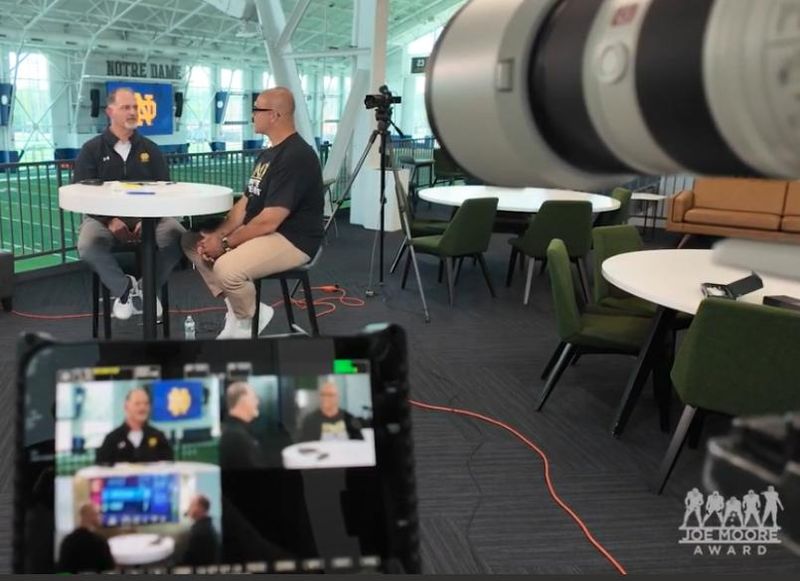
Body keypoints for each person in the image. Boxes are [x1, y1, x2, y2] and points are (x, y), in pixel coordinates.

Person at [181, 87, 324, 339]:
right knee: (191, 241)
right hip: (266, 232)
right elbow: (244, 205)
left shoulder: (297, 156)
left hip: (292, 239)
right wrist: (219, 234)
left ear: (275, 115)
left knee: (227, 268)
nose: (252, 115)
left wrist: (224, 244)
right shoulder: (268, 154)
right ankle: (236, 310)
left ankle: (249, 319)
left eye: (257, 109)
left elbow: (269, 221)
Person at [74, 87, 185, 321]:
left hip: (150, 218)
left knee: (178, 237)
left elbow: (165, 190)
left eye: (135, 107)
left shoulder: (151, 149)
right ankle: (124, 291)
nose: (133, 111)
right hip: (103, 219)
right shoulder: (91, 150)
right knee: (87, 245)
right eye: (126, 107)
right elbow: (81, 193)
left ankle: (145, 291)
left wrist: (149, 220)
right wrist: (109, 220)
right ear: (110, 112)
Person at [95, 387, 173, 464]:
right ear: (126, 407)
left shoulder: (159, 437)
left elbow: (170, 466)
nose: (142, 408)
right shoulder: (112, 439)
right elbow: (101, 469)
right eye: (137, 404)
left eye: (146, 403)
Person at [57, 503, 115, 573]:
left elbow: (62, 570)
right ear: (90, 516)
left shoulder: (67, 540)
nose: (100, 517)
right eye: (98, 514)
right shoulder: (100, 541)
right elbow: (109, 568)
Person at [299, 380, 364, 443]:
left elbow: (359, 443)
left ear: (337, 397)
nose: (325, 398)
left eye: (329, 395)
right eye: (322, 394)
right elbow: (304, 445)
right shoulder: (310, 420)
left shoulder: (350, 418)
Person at [219, 382, 264, 469]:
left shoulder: (235, 431)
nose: (257, 402)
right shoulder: (236, 436)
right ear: (243, 400)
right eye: (254, 397)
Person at [178, 495, 220, 567]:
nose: (189, 508)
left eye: (191, 505)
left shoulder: (200, 532)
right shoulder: (207, 526)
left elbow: (188, 561)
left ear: (200, 508)